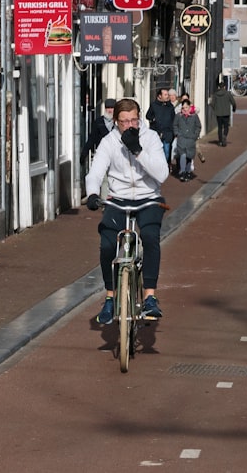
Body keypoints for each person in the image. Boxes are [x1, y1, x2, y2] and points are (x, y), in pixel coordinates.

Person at [85, 98, 169, 323]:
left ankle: (150, 296)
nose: (130, 126)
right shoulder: (109, 142)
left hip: (148, 197)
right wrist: (92, 193)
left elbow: (162, 174)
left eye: (134, 120)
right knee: (108, 244)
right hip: (118, 199)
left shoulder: (150, 139)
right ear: (116, 122)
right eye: (124, 122)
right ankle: (111, 298)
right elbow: (95, 172)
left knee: (150, 237)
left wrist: (138, 151)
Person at [172, 99, 202, 181]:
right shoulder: (178, 116)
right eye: (183, 107)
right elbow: (175, 125)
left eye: (187, 107)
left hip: (191, 139)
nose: (185, 109)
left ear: (190, 107)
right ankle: (182, 171)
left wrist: (195, 135)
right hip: (181, 139)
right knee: (183, 154)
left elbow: (198, 126)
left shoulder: (194, 116)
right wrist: (177, 134)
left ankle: (188, 172)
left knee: (189, 156)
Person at [146, 88, 175, 166]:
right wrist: (153, 120)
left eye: (167, 95)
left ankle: (164, 166)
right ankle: (158, 166)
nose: (167, 96)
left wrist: (173, 131)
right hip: (156, 132)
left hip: (167, 132)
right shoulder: (154, 105)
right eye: (165, 95)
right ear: (159, 96)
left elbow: (173, 119)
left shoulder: (170, 106)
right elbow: (148, 116)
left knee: (166, 151)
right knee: (157, 150)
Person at [81, 98, 115, 163]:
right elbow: (92, 138)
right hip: (102, 154)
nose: (110, 110)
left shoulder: (119, 122)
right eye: (108, 107)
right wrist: (84, 153)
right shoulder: (98, 122)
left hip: (115, 156)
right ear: (105, 109)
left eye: (112, 107)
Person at [208, 77, 237, 146]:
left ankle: (220, 141)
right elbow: (233, 102)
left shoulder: (215, 95)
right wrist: (234, 109)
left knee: (220, 127)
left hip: (218, 113)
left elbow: (212, 104)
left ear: (218, 87)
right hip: (226, 113)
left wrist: (215, 109)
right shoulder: (228, 94)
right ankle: (224, 135)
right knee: (226, 126)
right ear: (224, 87)